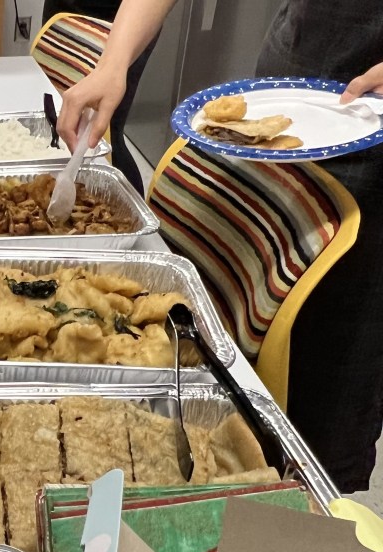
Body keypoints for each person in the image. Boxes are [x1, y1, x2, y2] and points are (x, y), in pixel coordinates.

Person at [56, 0, 383, 494]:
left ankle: (313, 513)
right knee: (230, 332)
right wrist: (113, 63)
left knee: (325, 400)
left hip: (369, 162)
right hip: (283, 100)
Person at [41, 0, 159, 193]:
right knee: (62, 124)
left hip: (122, 13)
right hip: (61, 6)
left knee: (107, 136)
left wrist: (110, 68)